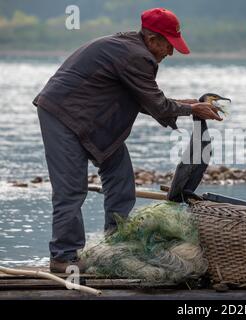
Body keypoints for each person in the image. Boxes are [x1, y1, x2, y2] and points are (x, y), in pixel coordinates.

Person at [33, 8, 222, 273]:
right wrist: (192, 110)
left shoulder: (133, 50)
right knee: (71, 190)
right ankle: (63, 257)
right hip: (62, 115)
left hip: (93, 120)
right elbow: (155, 103)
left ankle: (115, 243)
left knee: (121, 181)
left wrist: (185, 104)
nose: (170, 52)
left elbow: (143, 98)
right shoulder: (137, 56)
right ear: (153, 39)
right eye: (168, 45)